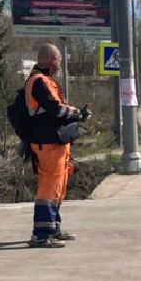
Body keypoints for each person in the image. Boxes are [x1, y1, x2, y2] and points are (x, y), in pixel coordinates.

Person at [24, 43, 90, 249]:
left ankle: (53, 228)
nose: (60, 64)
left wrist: (75, 114)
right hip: (47, 142)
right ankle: (41, 234)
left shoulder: (46, 81)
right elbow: (55, 109)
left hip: (56, 141)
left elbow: (56, 109)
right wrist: (78, 113)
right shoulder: (38, 82)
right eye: (59, 60)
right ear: (52, 60)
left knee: (58, 187)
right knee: (48, 188)